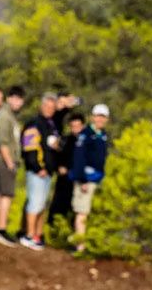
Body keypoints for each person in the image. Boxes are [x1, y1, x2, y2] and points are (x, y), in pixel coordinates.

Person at [18, 93, 60, 251]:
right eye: (47, 106)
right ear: (41, 106)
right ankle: (28, 235)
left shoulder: (51, 125)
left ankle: (37, 234)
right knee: (34, 203)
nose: (49, 109)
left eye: (52, 107)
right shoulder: (33, 124)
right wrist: (37, 167)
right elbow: (29, 148)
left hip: (48, 172)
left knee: (42, 204)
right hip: (37, 172)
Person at [70, 105, 113, 253]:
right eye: (98, 116)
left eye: (103, 116)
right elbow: (79, 158)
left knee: (87, 212)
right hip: (85, 180)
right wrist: (82, 179)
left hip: (96, 179)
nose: (100, 119)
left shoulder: (103, 135)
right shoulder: (86, 134)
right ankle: (79, 246)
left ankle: (85, 243)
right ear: (93, 117)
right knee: (82, 212)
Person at [0, 87, 24, 244]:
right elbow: (2, 142)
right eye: (14, 98)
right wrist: (10, 163)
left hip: (6, 159)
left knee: (1, 192)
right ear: (8, 98)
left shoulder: (11, 116)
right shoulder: (4, 116)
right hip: (4, 160)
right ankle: (0, 230)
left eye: (20, 99)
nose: (17, 102)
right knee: (7, 195)